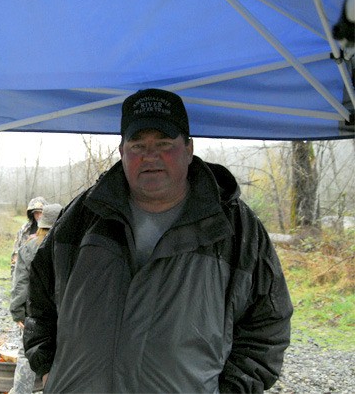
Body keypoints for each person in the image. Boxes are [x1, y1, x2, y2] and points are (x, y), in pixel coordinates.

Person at [23, 89, 293, 393]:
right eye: (138, 145)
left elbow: (268, 323)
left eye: (164, 144)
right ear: (122, 151)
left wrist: (234, 388)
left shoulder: (234, 228)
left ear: (189, 149)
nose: (150, 155)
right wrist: (46, 367)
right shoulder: (82, 217)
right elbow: (39, 297)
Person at [10, 203, 63, 394]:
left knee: (27, 353)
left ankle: (21, 391)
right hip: (64, 312)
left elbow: (21, 284)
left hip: (35, 313)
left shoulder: (29, 247)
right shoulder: (71, 247)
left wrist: (18, 312)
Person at [10, 197, 47, 275]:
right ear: (32, 214)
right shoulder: (24, 230)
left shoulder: (51, 229)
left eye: (41, 212)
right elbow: (16, 253)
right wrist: (14, 274)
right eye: (36, 213)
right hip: (26, 272)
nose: (39, 215)